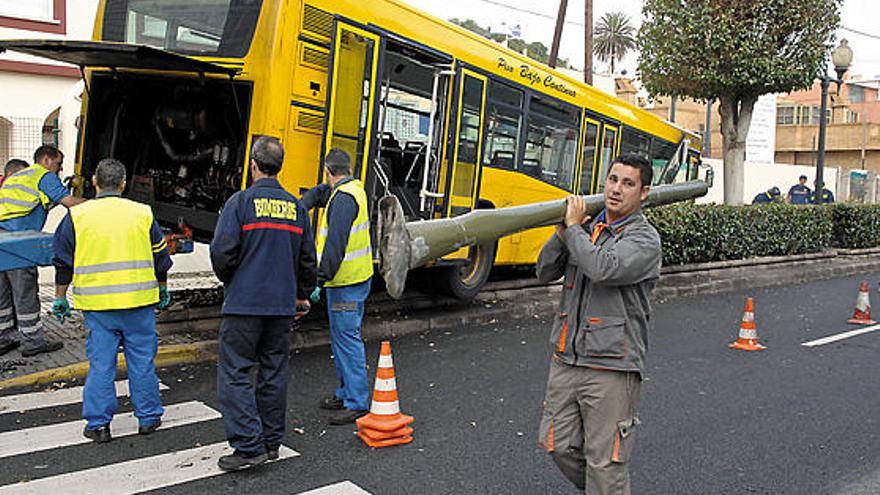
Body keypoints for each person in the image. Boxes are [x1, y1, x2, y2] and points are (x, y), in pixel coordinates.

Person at [535, 154, 662, 495]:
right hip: (567, 357)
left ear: (644, 193)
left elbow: (605, 268)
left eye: (628, 183)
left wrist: (575, 230)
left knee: (605, 463)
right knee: (557, 444)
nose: (616, 189)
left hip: (611, 365)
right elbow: (544, 271)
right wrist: (562, 233)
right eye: (612, 180)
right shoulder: (586, 228)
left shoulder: (645, 239)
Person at [210, 136, 316, 471]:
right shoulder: (296, 208)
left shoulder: (240, 203)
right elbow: (307, 259)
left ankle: (248, 445)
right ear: (279, 166)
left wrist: (233, 280)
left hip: (244, 305)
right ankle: (271, 443)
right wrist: (301, 294)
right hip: (281, 308)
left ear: (253, 165)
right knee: (273, 373)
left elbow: (222, 252)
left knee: (236, 372)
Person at [51, 158, 172, 443]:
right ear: (123, 184)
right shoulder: (142, 213)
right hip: (139, 305)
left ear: (94, 182)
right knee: (142, 363)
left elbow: (62, 260)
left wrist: (59, 298)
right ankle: (148, 418)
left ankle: (99, 425)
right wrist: (163, 288)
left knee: (102, 366)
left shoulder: (78, 216)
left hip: (99, 309)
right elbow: (161, 257)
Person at [302, 148, 374, 425]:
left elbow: (335, 248)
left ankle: (356, 401)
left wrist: (318, 280)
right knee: (341, 338)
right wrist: (300, 205)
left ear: (328, 171)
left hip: (347, 284)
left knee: (347, 338)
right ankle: (345, 393)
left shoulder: (343, 201)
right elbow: (321, 193)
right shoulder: (352, 188)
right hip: (350, 280)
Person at [0, 145, 84, 358]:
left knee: (3, 294)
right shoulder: (43, 176)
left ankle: (5, 338)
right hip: (18, 241)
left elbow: (31, 205)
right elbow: (71, 204)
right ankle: (32, 342)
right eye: (58, 164)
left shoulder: (19, 177)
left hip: (2, 238)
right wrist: (101, 202)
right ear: (46, 160)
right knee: (25, 291)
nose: (59, 169)